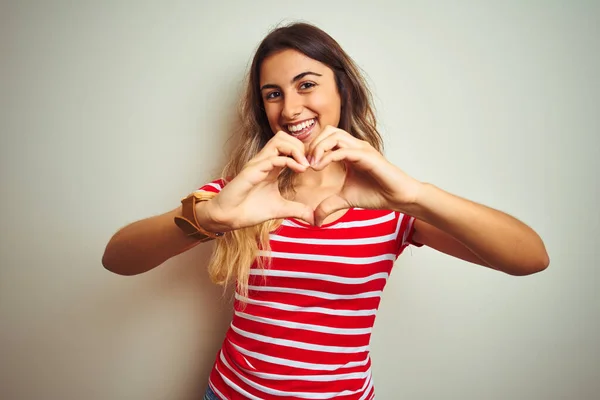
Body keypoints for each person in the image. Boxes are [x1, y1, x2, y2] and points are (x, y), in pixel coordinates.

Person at [102, 22, 549, 400]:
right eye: (273, 93)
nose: (290, 107)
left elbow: (529, 258)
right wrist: (210, 219)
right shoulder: (240, 193)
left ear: (343, 88)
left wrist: (413, 194)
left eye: (307, 84)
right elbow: (117, 259)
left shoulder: (391, 200)